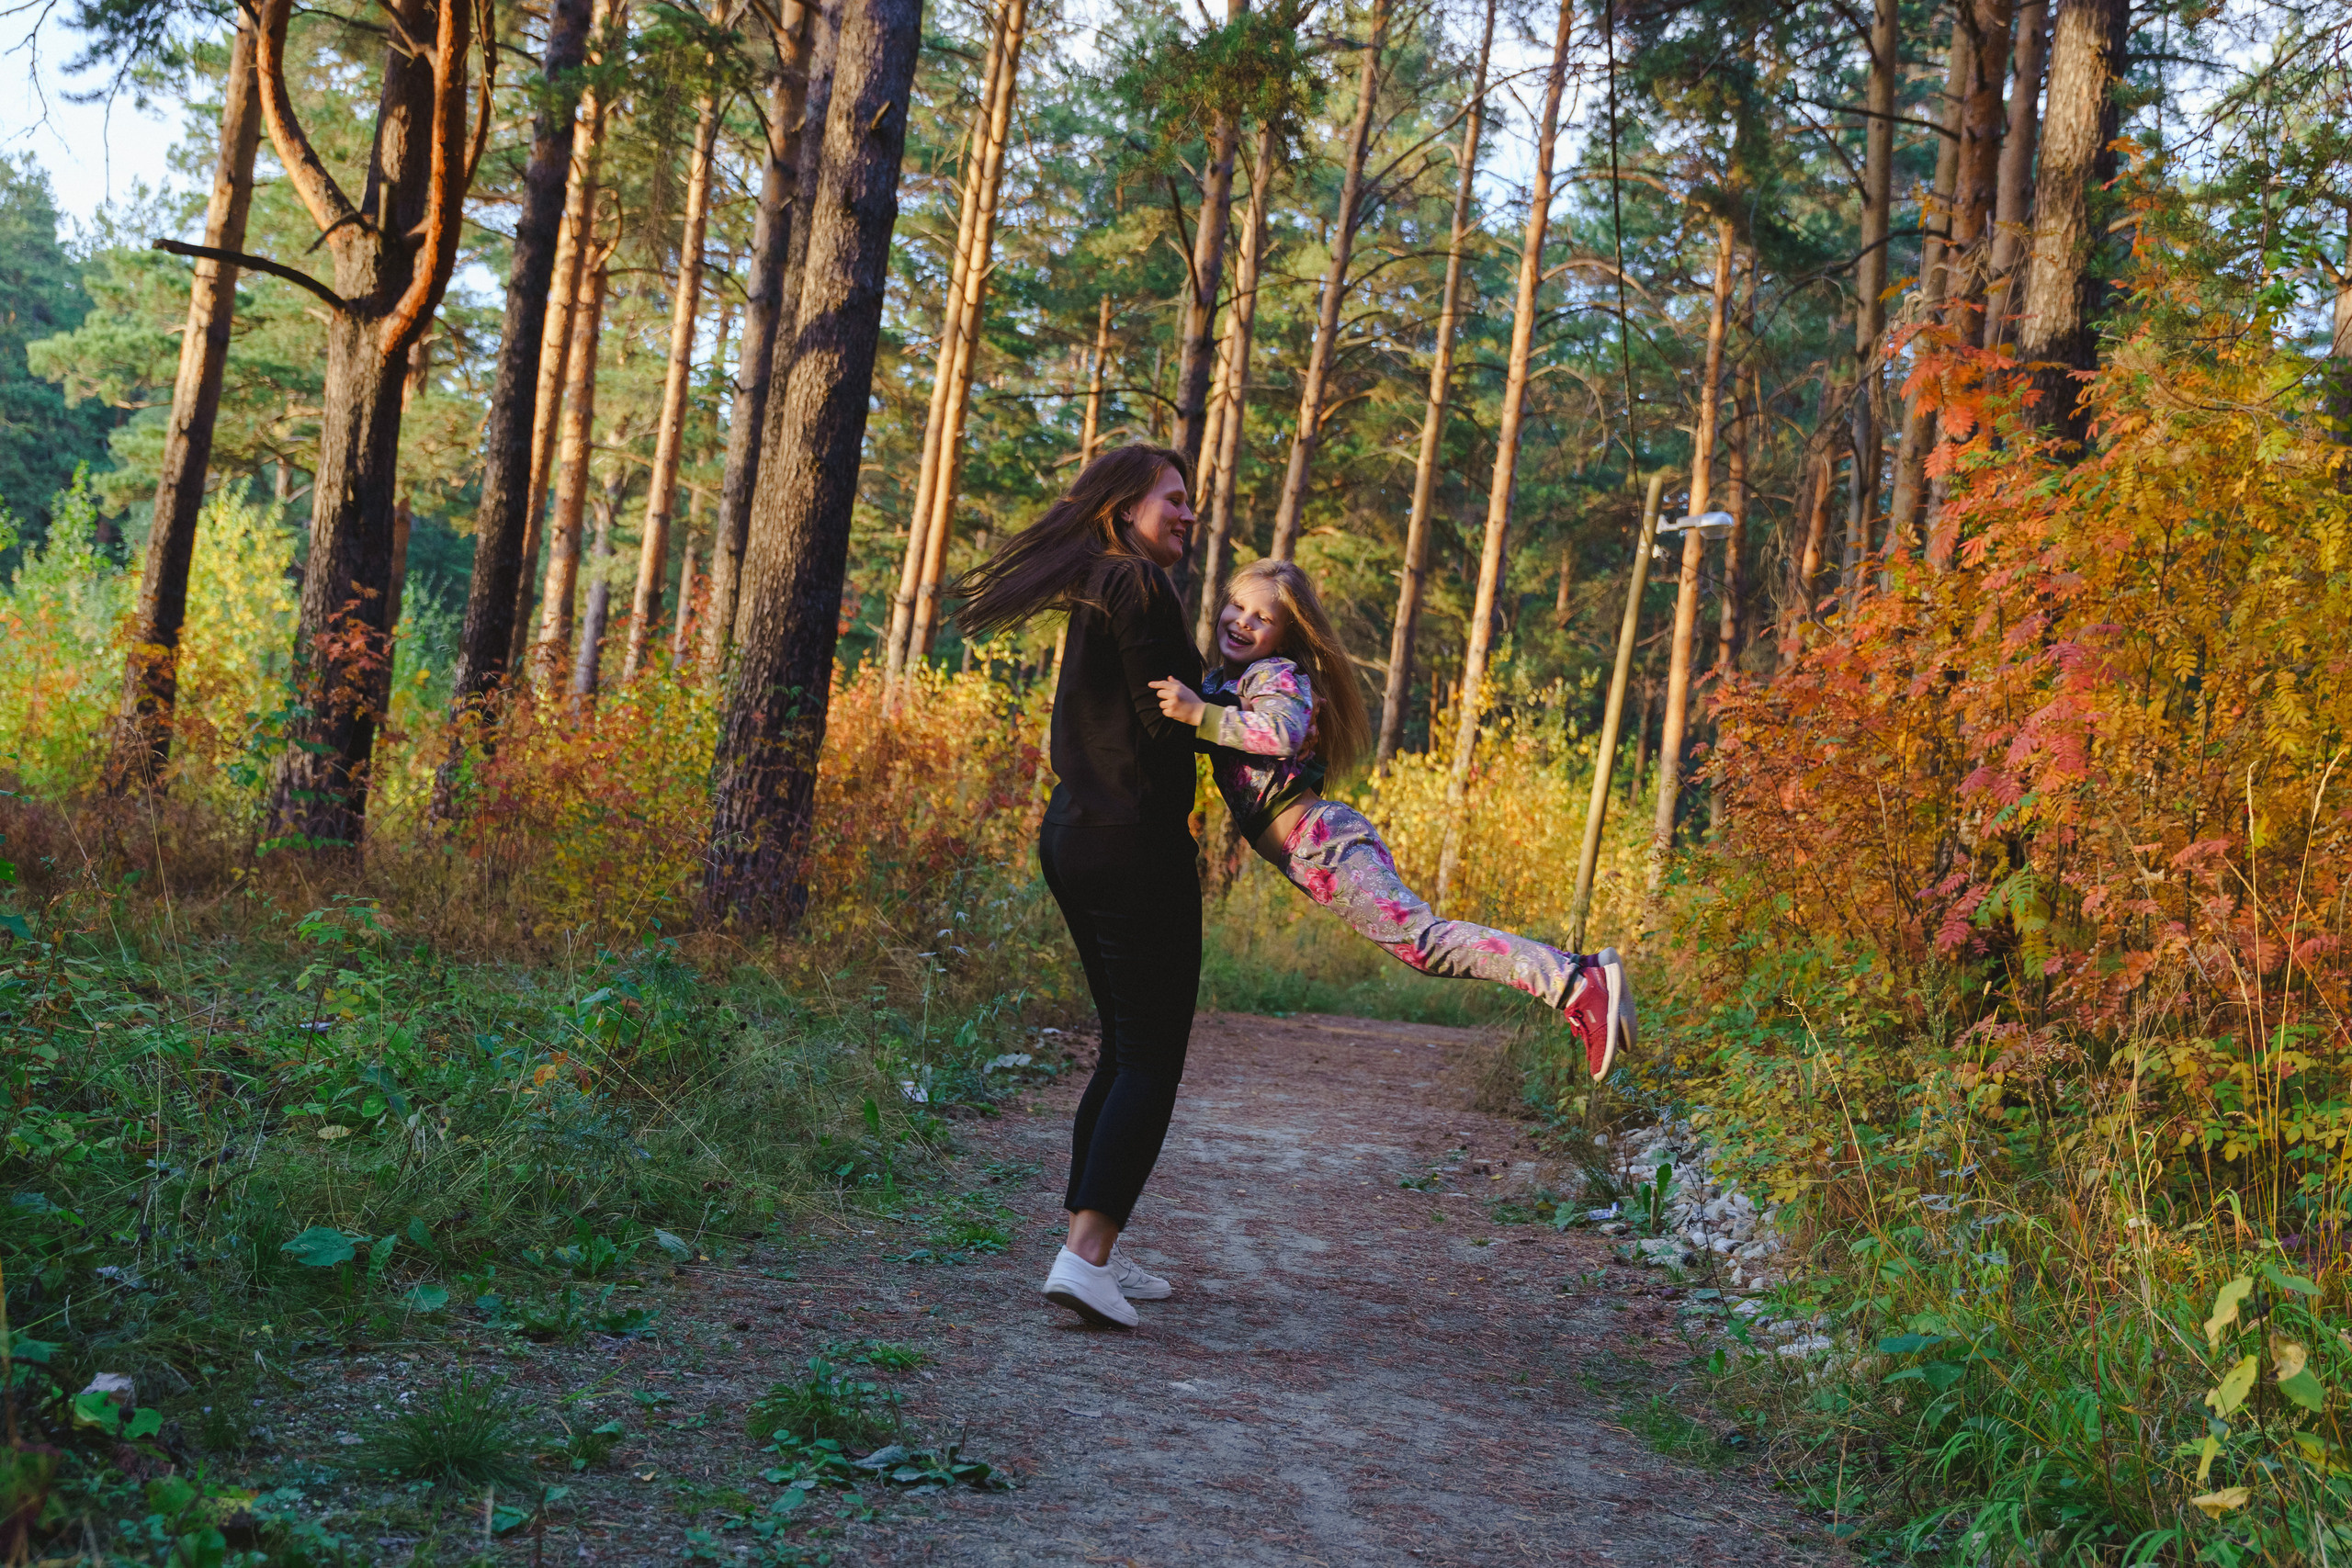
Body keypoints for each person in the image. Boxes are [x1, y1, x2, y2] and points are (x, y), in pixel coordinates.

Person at [1150, 558, 1636, 1074]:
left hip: (1320, 843)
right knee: (1424, 942)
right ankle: (1585, 972)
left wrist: (1198, 714)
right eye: (1238, 606)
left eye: (1262, 618)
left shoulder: (1274, 674)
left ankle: (1573, 986)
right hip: (1312, 849)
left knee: (1424, 943)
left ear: (1286, 634)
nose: (1243, 622)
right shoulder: (1224, 683)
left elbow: (1284, 732)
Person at [953, 445, 1202, 1330]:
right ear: (1122, 506)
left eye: (1191, 500)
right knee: (1150, 1052)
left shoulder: (1103, 583)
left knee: (1123, 1044)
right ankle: (1084, 1257)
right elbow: (1167, 719)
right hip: (1134, 842)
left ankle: (1093, 1243)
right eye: (1173, 498)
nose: (1187, 512)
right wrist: (1260, 731)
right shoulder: (1139, 584)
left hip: (1076, 833)